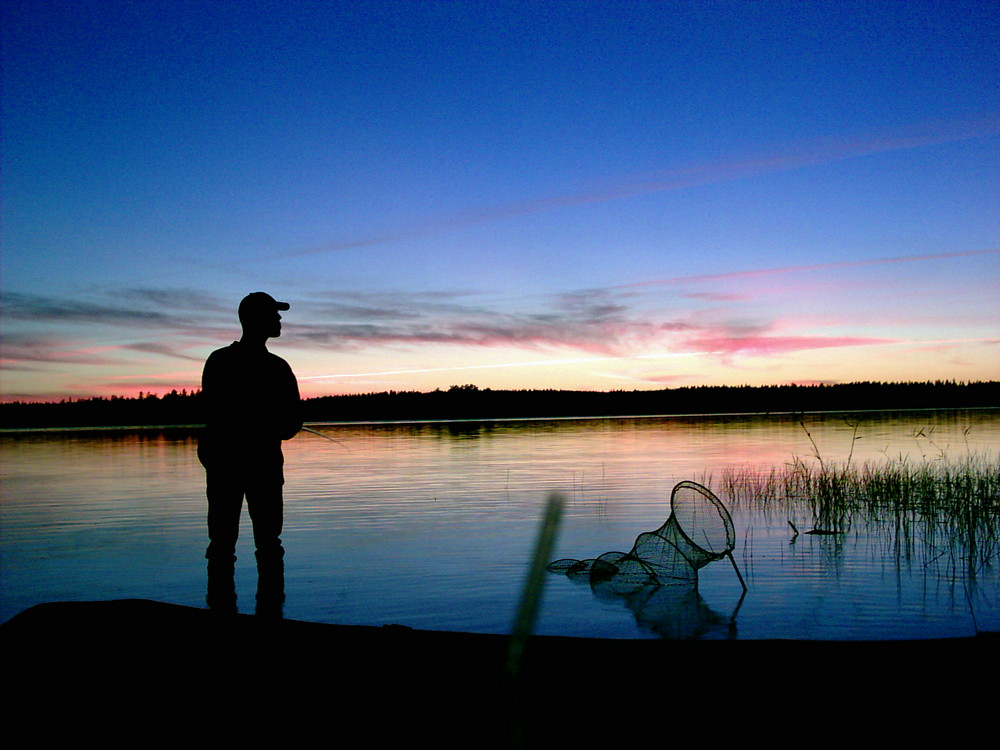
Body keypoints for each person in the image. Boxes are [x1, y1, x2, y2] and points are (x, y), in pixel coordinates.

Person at [198, 291, 302, 612]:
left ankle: (221, 611)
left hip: (224, 465)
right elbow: (289, 426)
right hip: (260, 466)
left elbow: (212, 416)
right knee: (268, 545)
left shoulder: (218, 361)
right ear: (257, 319)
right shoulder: (278, 368)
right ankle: (270, 616)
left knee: (222, 545)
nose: (280, 319)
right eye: (275, 314)